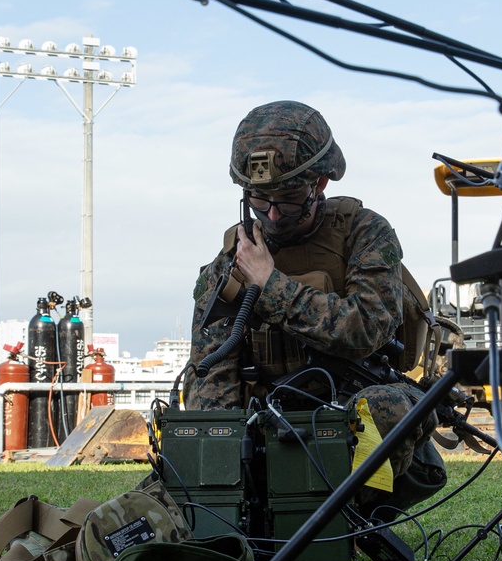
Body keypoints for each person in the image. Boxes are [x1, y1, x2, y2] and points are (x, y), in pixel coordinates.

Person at [182, 100, 446, 511]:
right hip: (267, 422)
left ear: (319, 183)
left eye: (288, 200)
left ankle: (348, 522)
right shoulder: (233, 258)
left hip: (347, 421)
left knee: (390, 407)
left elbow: (364, 329)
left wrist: (269, 285)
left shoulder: (364, 232)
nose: (271, 215)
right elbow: (210, 370)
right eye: (258, 200)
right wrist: (220, 459)